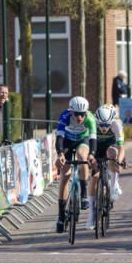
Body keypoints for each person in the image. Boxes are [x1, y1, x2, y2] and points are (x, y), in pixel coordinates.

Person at [54, 96, 97, 232]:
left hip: (82, 140)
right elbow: (59, 137)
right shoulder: (65, 116)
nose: (79, 117)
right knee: (65, 175)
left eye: (82, 114)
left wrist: (92, 155)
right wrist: (60, 153)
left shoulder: (90, 118)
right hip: (67, 141)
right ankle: (61, 215)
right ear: (71, 111)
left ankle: (84, 195)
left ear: (86, 113)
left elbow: (93, 139)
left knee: (82, 156)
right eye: (77, 114)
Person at [87, 103, 125, 228]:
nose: (104, 128)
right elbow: (87, 144)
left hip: (110, 146)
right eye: (101, 125)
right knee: (94, 177)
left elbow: (121, 147)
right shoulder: (92, 123)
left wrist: (119, 161)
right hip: (96, 148)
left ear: (111, 122)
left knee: (113, 155)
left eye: (107, 125)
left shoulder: (116, 124)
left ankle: (113, 187)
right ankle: (91, 214)